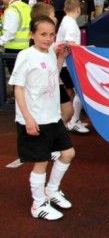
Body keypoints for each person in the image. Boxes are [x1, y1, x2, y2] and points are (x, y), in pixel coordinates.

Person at [8, 15, 76, 220]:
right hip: (35, 118)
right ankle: (38, 205)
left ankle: (51, 190)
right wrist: (28, 118)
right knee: (41, 162)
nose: (48, 38)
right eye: (43, 34)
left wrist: (61, 58)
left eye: (51, 34)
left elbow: (52, 77)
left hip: (53, 117)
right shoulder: (26, 55)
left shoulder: (49, 53)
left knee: (68, 153)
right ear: (32, 35)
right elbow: (18, 89)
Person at [30, 2, 74, 124]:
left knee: (68, 111)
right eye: (53, 14)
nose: (55, 17)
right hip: (46, 85)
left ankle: (56, 133)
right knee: (66, 111)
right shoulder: (34, 49)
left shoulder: (50, 43)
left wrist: (60, 57)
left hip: (53, 81)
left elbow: (53, 68)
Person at [56, 0, 90, 134]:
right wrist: (86, 49)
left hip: (65, 63)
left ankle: (70, 120)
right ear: (78, 9)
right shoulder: (70, 23)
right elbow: (70, 43)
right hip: (66, 64)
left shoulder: (67, 21)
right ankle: (73, 121)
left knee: (72, 92)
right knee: (80, 91)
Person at [0, 0, 32, 74]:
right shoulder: (26, 6)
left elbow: (10, 32)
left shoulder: (12, 9)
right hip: (27, 47)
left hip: (13, 50)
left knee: (16, 80)